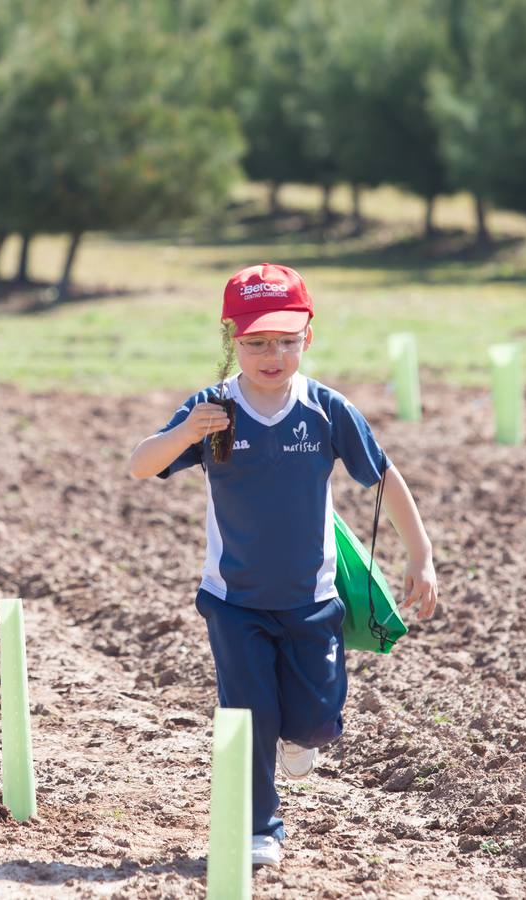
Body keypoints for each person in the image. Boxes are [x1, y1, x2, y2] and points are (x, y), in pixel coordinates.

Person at [128, 262, 439, 868]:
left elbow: (384, 478)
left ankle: (304, 738)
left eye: (285, 341)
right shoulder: (212, 409)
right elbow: (141, 464)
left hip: (313, 600)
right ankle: (259, 827)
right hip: (232, 599)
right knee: (248, 716)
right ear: (232, 340)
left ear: (307, 339)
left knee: (318, 723)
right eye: (256, 342)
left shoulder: (326, 409)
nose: (272, 354)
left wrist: (421, 556)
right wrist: (186, 430)